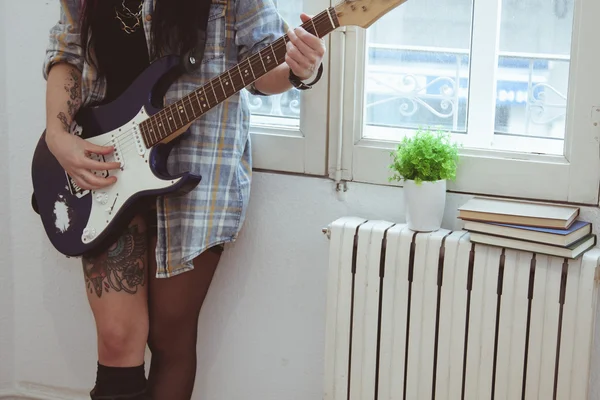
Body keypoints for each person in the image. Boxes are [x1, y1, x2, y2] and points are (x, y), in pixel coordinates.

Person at [42, 0, 326, 399]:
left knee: (169, 338)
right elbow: (68, 52)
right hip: (105, 165)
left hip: (199, 175)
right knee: (117, 336)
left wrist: (300, 69)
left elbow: (264, 68)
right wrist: (57, 137)